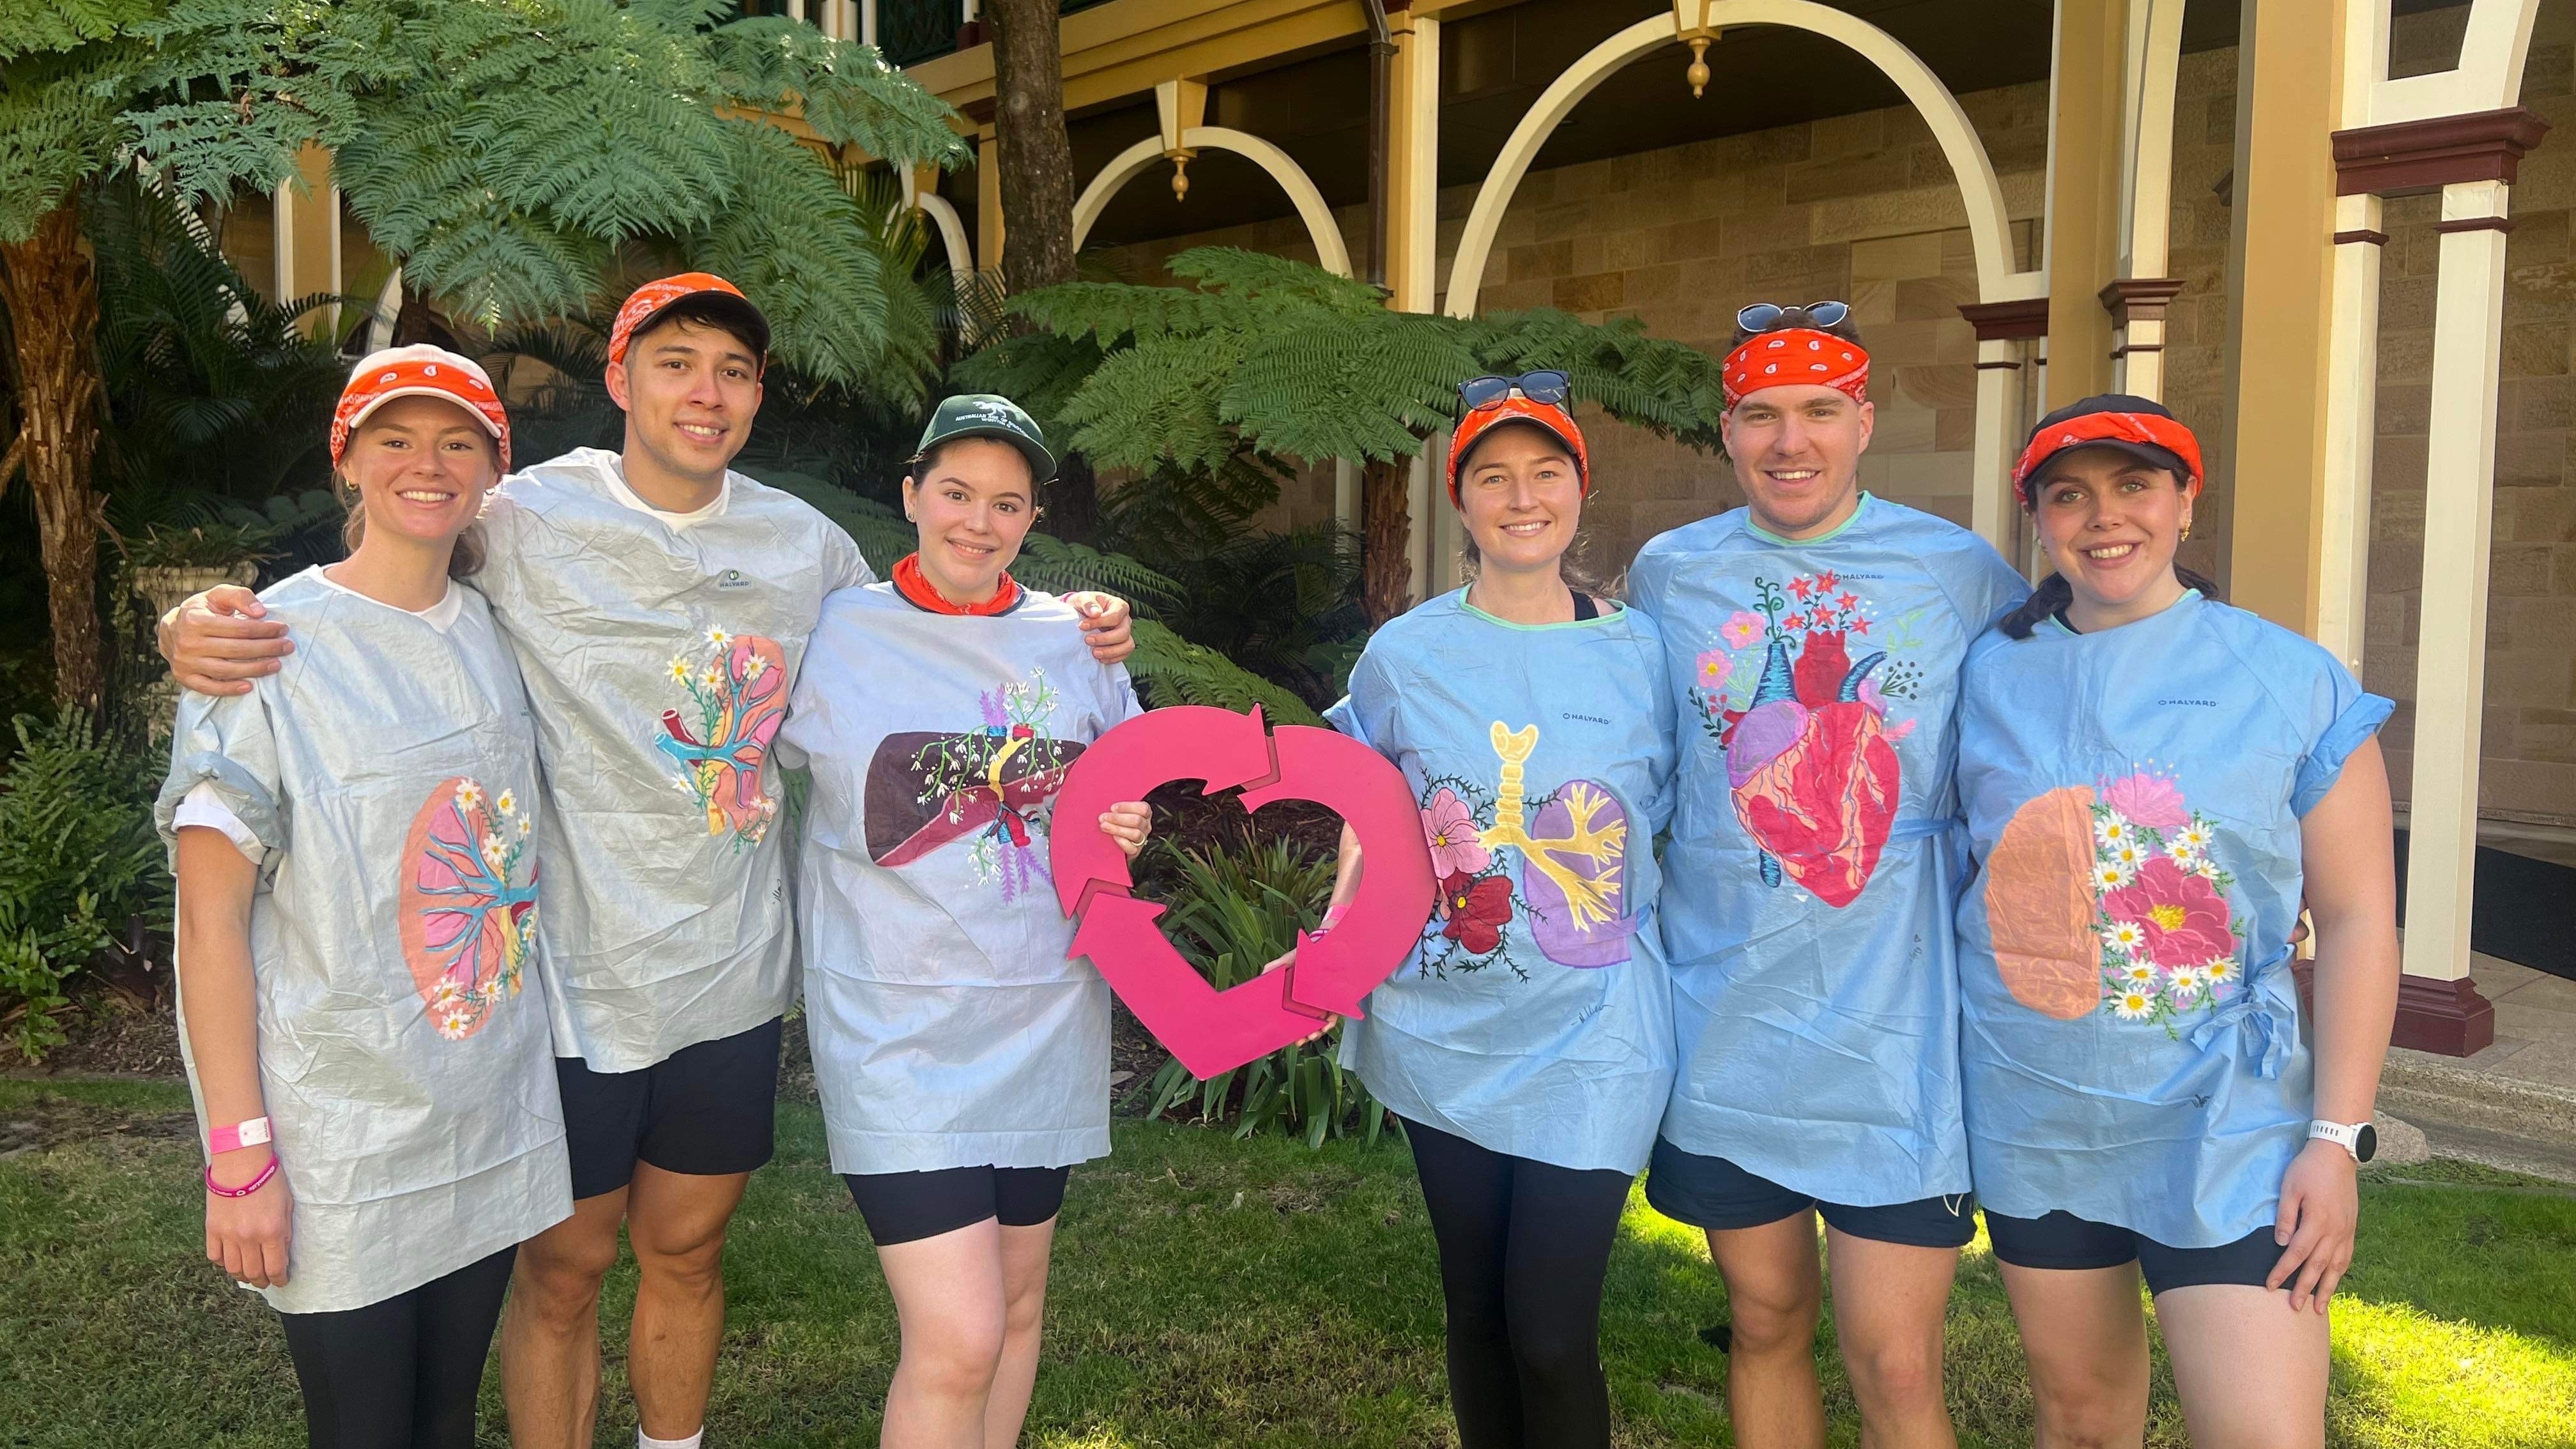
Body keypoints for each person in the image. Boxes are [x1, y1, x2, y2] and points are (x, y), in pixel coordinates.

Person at [157, 275, 1137, 1449]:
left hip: (726, 973)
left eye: (732, 370)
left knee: (688, 1249)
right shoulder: (518, 516)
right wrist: (201, 623)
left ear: (758, 397)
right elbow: (383, 569)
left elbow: (927, 629)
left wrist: (1073, 619)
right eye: (675, 362)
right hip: (568, 984)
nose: (704, 392)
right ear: (619, 380)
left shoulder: (805, 547)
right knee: (563, 1271)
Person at [1955, 395, 2398, 1448]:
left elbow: (2359, 917)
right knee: (2079, 1422)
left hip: (2231, 1120)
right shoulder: (1988, 676)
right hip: (2038, 1112)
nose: (2105, 517)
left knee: (2262, 1434)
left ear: (2186, 504)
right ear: (2039, 519)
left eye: (2135, 485)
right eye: (2071, 495)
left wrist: (2336, 1140)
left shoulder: (2290, 681)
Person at [1626, 302, 2029, 1449]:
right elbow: (1621, 737)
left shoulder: (1954, 571)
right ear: (1726, 430)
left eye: (1816, 413)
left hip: (1897, 1029)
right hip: (1729, 1014)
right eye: (1760, 415)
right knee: (1763, 1322)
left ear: (1863, 422)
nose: (1787, 442)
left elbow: (2055, 711)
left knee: (1896, 1364)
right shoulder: (1672, 572)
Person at [160, 346, 571, 1449]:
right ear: (347, 460)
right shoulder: (264, 650)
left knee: (445, 1420)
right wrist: (240, 1154)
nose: (426, 465)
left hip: (485, 1112)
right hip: (338, 1133)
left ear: (496, 466)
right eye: (395, 439)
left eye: (457, 442)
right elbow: (209, 926)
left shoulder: (499, 632)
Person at [1292, 372, 1678, 1449]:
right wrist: (1336, 944)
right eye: (1493, 476)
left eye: (1545, 472)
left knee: (1551, 1330)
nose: (1522, 497)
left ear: (1578, 490)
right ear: (1460, 500)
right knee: (1476, 1311)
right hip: (1440, 1024)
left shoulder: (1644, 653)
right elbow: (1368, 815)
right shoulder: (1406, 655)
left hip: (1597, 1030)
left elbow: (1686, 822)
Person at [776, 395, 1153, 1449]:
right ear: (910, 494)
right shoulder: (833, 628)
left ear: (1034, 519)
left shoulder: (1075, 641)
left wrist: (1126, 821)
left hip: (1041, 1010)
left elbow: (1121, 791)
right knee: (960, 1337)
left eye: (1006, 503)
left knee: (1019, 1311)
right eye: (955, 494)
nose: (977, 524)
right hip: (894, 1026)